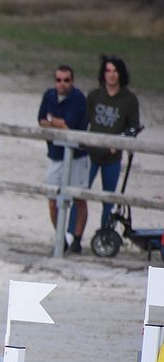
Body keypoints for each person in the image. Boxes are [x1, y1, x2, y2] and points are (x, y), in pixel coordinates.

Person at [38, 65, 90, 254]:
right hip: (56, 155)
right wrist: (55, 122)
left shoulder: (78, 99)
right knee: (52, 199)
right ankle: (61, 237)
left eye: (66, 80)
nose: (62, 84)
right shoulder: (49, 96)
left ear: (72, 81)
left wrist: (53, 121)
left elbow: (69, 126)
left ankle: (76, 239)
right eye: (59, 80)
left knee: (79, 198)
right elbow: (40, 120)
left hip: (78, 156)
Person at [86, 54, 140, 230]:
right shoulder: (94, 96)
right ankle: (73, 236)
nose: (111, 74)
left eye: (115, 71)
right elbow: (82, 123)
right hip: (91, 155)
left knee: (109, 199)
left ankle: (106, 234)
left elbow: (134, 128)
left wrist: (119, 142)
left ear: (121, 74)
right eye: (108, 70)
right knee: (79, 194)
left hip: (112, 157)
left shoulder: (129, 100)